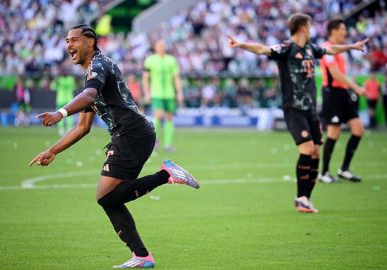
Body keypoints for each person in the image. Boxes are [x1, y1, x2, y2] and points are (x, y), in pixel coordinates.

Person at [28, 25, 199, 269]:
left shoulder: (99, 65)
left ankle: (166, 175)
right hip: (131, 135)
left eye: (74, 40)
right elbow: (82, 127)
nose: (69, 45)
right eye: (66, 41)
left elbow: (88, 97)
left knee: (106, 196)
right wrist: (52, 151)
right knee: (109, 198)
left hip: (132, 133)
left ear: (90, 41)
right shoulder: (91, 77)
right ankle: (142, 256)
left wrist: (60, 112)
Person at [227, 13, 368, 213]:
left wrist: (351, 46)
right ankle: (301, 197)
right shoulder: (286, 48)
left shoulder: (311, 48)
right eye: (309, 26)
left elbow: (331, 49)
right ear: (302, 28)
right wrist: (241, 44)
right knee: (307, 149)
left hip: (311, 110)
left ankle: (306, 198)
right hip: (293, 109)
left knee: (316, 151)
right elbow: (262, 49)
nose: (311, 30)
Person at [318, 19, 368, 184]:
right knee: (334, 133)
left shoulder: (342, 50)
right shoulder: (326, 48)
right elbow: (336, 74)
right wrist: (356, 87)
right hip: (332, 94)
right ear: (333, 31)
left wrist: (350, 86)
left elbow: (342, 74)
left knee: (358, 130)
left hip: (343, 93)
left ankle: (344, 169)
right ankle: (324, 172)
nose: (345, 33)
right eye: (342, 30)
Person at [143, 39, 183, 151]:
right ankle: (154, 141)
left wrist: (179, 92)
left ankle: (168, 144)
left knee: (169, 118)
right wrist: (147, 92)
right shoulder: (150, 60)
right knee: (158, 116)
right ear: (155, 47)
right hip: (157, 93)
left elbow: (176, 78)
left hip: (169, 94)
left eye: (163, 45)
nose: (161, 47)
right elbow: (145, 78)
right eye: (159, 45)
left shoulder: (171, 60)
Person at [51, 70, 76, 136]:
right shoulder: (71, 79)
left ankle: (62, 129)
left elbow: (52, 87)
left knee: (60, 115)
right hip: (69, 100)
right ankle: (68, 129)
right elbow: (74, 87)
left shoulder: (59, 80)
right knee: (69, 115)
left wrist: (56, 81)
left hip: (61, 100)